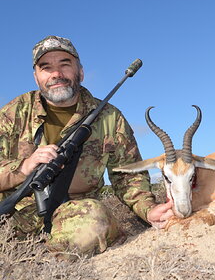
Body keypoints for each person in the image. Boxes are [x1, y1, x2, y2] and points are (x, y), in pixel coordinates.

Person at [0, 35, 174, 255]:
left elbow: (128, 175)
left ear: (80, 72)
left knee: (94, 222)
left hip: (73, 214)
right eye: (46, 68)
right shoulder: (12, 113)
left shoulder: (109, 117)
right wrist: (24, 167)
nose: (56, 74)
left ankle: (44, 262)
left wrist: (149, 210)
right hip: (14, 214)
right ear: (36, 77)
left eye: (65, 64)